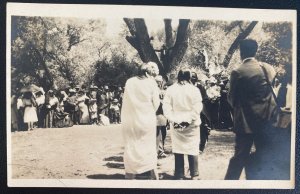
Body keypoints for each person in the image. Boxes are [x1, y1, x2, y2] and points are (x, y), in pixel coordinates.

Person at [224, 39, 280, 180]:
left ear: (241, 52)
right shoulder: (268, 68)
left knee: (239, 157)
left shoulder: (237, 72)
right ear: (256, 51)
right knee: (263, 154)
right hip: (266, 120)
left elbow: (232, 99)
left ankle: (228, 185)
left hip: (245, 123)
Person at [121, 62, 160, 179]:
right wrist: (148, 112)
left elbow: (126, 102)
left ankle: (130, 175)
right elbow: (156, 104)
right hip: (147, 120)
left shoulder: (129, 82)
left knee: (132, 145)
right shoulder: (151, 83)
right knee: (148, 146)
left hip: (131, 120)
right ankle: (154, 174)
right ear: (148, 72)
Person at [163, 69, 203, 180]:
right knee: (193, 147)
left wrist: (173, 120)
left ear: (178, 77)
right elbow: (197, 107)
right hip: (191, 123)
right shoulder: (194, 90)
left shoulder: (170, 90)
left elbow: (166, 108)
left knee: (178, 148)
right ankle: (194, 174)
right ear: (190, 77)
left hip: (177, 123)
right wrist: (188, 121)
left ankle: (179, 174)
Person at [155, 75, 168, 158]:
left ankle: (161, 149)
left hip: (163, 113)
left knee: (163, 132)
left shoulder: (163, 91)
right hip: (157, 113)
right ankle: (159, 150)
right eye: (157, 81)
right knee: (157, 132)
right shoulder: (154, 90)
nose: (159, 83)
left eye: (160, 81)